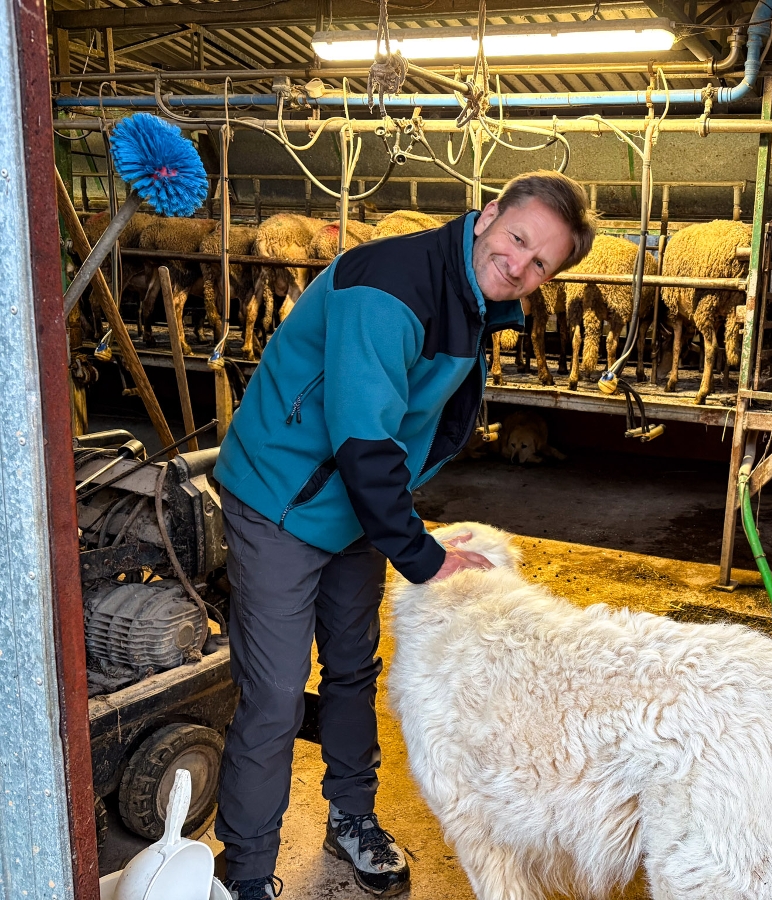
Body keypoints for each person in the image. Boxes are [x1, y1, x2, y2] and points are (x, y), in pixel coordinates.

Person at [211, 171, 596, 900]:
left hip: (353, 506)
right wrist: (422, 554)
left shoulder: (475, 300)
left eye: (541, 262)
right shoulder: (390, 284)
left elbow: (402, 432)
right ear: (489, 215)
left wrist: (398, 523)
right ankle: (249, 869)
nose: (520, 265)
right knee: (276, 693)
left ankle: (351, 816)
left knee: (353, 668)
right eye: (518, 238)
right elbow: (363, 438)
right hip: (280, 498)